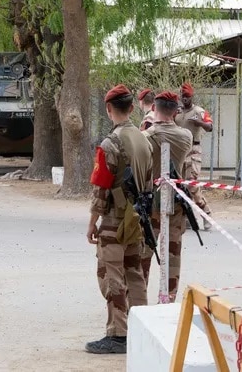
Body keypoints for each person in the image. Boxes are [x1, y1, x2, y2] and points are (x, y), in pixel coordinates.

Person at [85, 84, 153, 354]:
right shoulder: (144, 139)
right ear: (132, 108)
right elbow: (149, 180)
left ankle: (118, 334)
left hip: (115, 217)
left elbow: (101, 188)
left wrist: (92, 222)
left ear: (108, 109)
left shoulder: (109, 143)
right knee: (135, 272)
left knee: (111, 274)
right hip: (137, 216)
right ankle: (141, 327)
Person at [140, 91, 193, 302]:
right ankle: (169, 298)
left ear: (154, 108)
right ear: (175, 111)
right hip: (176, 199)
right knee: (173, 253)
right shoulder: (185, 136)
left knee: (143, 251)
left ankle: (138, 298)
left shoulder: (145, 136)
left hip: (149, 199)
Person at [174, 82, 213, 231]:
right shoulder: (177, 112)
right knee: (180, 186)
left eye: (187, 97)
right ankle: (187, 217)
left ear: (192, 96)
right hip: (180, 151)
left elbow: (210, 127)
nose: (185, 99)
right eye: (183, 97)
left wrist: (199, 122)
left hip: (193, 150)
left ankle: (206, 213)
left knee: (191, 184)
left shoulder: (199, 111)